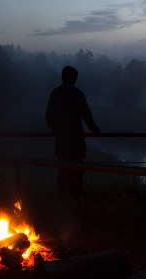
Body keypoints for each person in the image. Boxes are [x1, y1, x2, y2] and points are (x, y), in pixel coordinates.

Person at [45, 66, 100, 199]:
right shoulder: (77, 94)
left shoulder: (56, 94)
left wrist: (58, 131)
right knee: (77, 173)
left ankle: (63, 203)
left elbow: (48, 117)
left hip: (63, 142)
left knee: (63, 172)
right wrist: (94, 129)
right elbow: (86, 115)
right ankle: (76, 202)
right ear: (73, 78)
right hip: (76, 141)